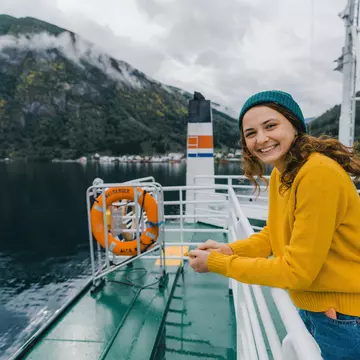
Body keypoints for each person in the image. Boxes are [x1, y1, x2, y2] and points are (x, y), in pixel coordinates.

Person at [188, 90, 360, 360]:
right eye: (251, 133)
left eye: (270, 126)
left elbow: (297, 270)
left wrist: (217, 265)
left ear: (294, 126)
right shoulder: (285, 172)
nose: (262, 139)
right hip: (321, 308)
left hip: (343, 317)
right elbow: (272, 235)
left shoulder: (318, 174)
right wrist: (229, 251)